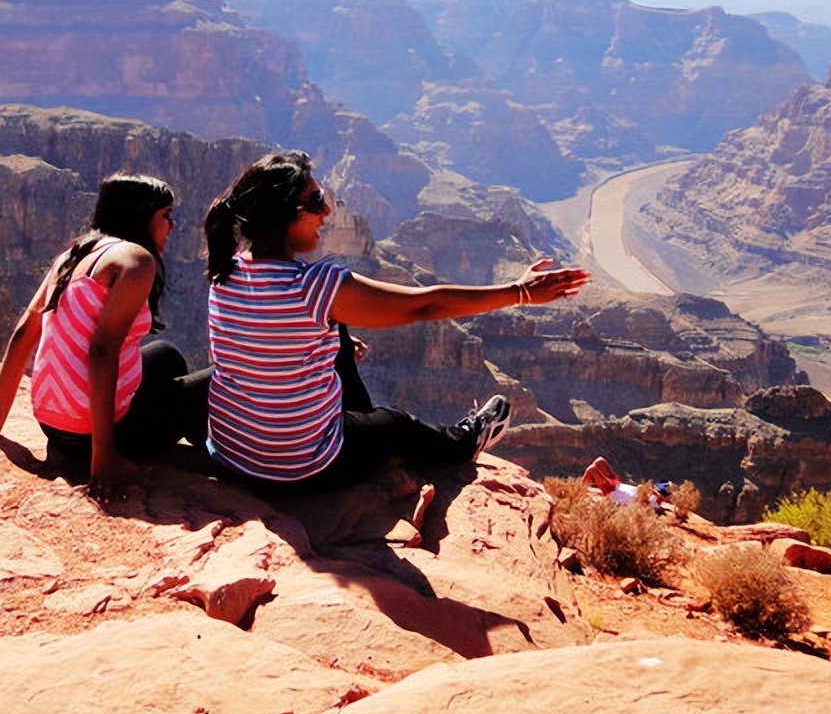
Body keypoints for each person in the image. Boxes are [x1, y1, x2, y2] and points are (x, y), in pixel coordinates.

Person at [201, 149, 591, 491]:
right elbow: (425, 306)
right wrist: (520, 292)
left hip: (231, 453)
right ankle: (467, 440)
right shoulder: (313, 286)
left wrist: (333, 347)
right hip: (300, 469)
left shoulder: (226, 270)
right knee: (393, 424)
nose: (327, 209)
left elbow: (265, 335)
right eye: (316, 200)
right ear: (283, 216)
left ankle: (353, 405)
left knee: (337, 335)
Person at [0, 173, 207, 501]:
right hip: (96, 435)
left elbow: (24, 333)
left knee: (166, 355)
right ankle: (211, 459)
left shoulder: (74, 255)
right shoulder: (137, 260)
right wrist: (103, 456)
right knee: (216, 383)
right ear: (140, 216)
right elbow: (102, 351)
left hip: (53, 426)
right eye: (165, 215)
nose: (173, 225)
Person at [581, 456, 669, 507]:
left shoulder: (653, 505)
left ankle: (578, 490)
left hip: (612, 491)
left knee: (592, 469)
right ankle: (588, 482)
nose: (658, 489)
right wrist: (652, 491)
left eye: (660, 490)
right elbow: (641, 488)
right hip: (618, 484)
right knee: (600, 460)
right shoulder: (653, 496)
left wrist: (652, 492)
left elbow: (640, 502)